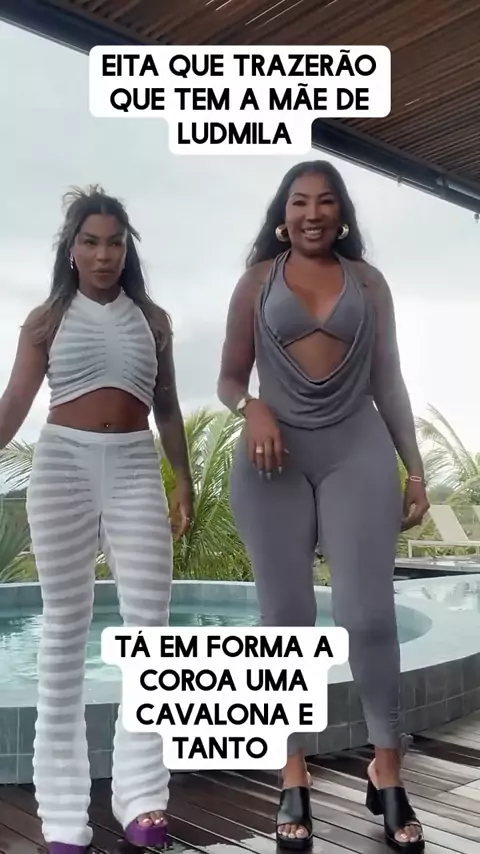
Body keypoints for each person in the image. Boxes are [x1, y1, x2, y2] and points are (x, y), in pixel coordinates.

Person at [217, 161, 429, 852]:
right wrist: (252, 407)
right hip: (271, 460)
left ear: (341, 214)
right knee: (284, 621)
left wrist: (415, 470)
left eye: (326, 202)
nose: (312, 213)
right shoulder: (256, 281)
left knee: (367, 614)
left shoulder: (369, 283)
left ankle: (386, 768)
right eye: (300, 202)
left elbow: (389, 381)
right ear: (284, 215)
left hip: (356, 450)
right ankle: (292, 769)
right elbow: (228, 378)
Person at [0, 186, 194, 854]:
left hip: (136, 465)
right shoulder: (47, 320)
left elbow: (167, 408)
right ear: (71, 249)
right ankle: (61, 814)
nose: (104, 254)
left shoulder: (154, 321)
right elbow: (13, 405)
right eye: (91, 242)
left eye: (114, 242)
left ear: (126, 248)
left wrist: (183, 479)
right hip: (63, 466)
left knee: (152, 632)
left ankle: (141, 798)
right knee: (62, 633)